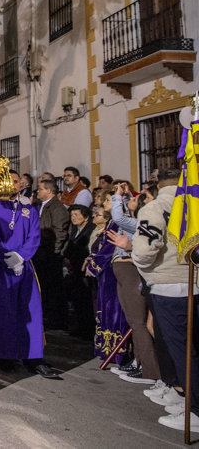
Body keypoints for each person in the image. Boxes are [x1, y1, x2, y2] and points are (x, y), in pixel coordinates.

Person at [0, 163, 60, 379]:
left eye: (17, 181)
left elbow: (34, 237)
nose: (13, 184)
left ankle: (33, 357)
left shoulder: (29, 209)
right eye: (9, 180)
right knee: (1, 312)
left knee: (29, 312)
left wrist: (21, 256)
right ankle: (3, 355)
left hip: (23, 265)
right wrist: (6, 256)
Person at [133, 168, 197, 431]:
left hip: (168, 285)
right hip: (194, 283)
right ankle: (186, 397)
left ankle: (194, 410)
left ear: (157, 184)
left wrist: (142, 265)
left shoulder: (155, 208)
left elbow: (145, 249)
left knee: (181, 350)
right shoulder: (193, 205)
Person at [106, 185, 158, 385]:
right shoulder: (136, 219)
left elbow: (119, 218)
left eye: (139, 198)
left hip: (131, 271)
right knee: (134, 321)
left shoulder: (140, 222)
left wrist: (117, 196)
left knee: (140, 322)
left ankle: (151, 370)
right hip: (123, 271)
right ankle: (139, 361)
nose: (135, 200)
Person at [84, 209, 130, 366]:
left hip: (112, 272)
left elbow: (108, 250)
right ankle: (107, 348)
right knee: (104, 311)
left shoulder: (118, 224)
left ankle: (118, 352)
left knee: (115, 312)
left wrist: (94, 265)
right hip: (106, 273)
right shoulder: (111, 224)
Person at [35, 179, 70, 330]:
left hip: (50, 255)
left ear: (49, 191)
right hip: (42, 253)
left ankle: (57, 320)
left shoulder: (57, 208)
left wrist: (54, 251)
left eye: (40, 189)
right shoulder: (42, 206)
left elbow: (60, 232)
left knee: (53, 289)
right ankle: (48, 316)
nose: (37, 191)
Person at [63, 204, 96, 339]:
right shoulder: (75, 229)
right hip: (74, 269)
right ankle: (81, 327)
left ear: (86, 217)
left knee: (86, 300)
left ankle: (88, 329)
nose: (74, 218)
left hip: (84, 268)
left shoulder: (90, 230)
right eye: (72, 215)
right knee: (78, 299)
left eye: (77, 215)